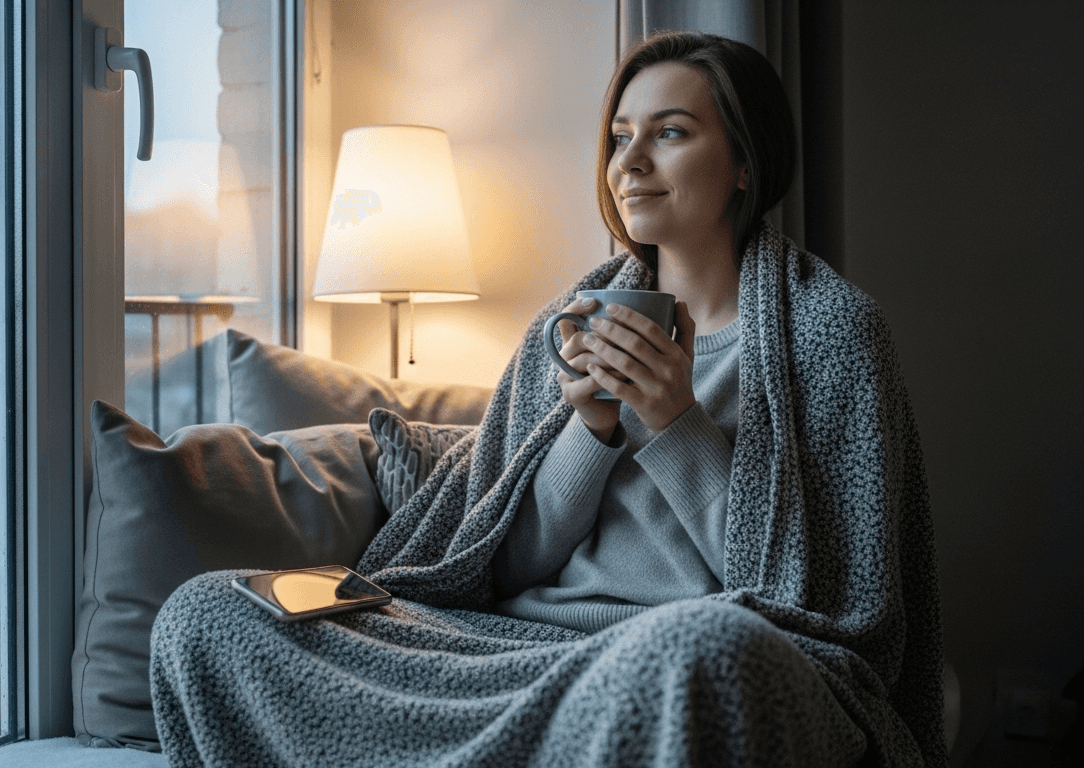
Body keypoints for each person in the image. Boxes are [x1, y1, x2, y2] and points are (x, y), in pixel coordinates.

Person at [151, 30, 945, 767]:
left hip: (670, 653)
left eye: (670, 133)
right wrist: (590, 429)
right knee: (210, 611)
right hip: (511, 650)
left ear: (746, 162)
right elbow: (498, 564)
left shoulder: (830, 332)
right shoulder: (565, 325)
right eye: (620, 138)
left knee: (703, 650)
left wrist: (674, 421)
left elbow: (815, 602)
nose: (631, 162)